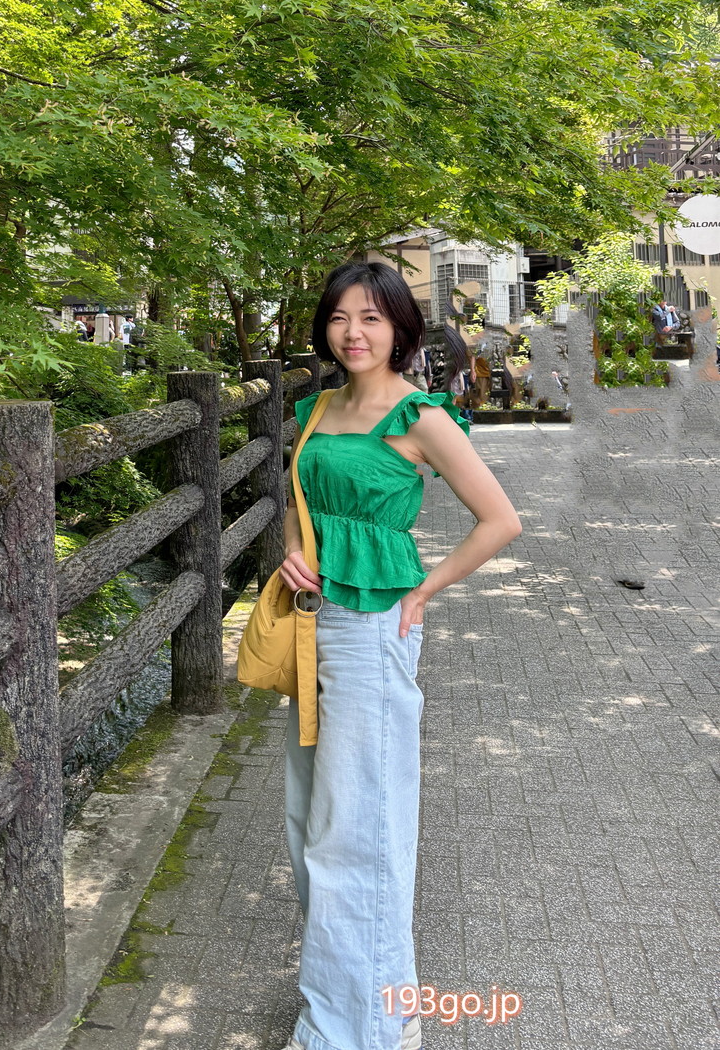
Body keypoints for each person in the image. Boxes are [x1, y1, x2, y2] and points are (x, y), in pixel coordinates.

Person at [278, 260, 523, 1050]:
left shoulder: (419, 417)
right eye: (339, 317)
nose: (352, 332)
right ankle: (351, 1007)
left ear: (398, 330)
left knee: (358, 832)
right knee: (309, 824)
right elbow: (296, 502)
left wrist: (423, 591)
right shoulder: (317, 407)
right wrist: (292, 551)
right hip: (309, 626)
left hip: (369, 630)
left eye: (371, 318)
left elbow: (499, 520)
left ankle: (360, 1031)